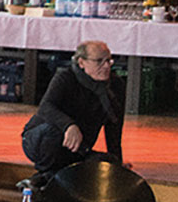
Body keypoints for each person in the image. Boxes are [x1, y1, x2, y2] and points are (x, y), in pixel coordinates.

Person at [22, 40, 126, 175]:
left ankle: (58, 173)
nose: (106, 66)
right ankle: (44, 175)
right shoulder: (66, 77)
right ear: (81, 62)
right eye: (99, 61)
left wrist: (118, 164)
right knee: (52, 132)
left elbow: (114, 129)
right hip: (42, 138)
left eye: (109, 61)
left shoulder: (115, 86)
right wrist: (69, 125)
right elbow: (46, 107)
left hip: (78, 146)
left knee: (107, 163)